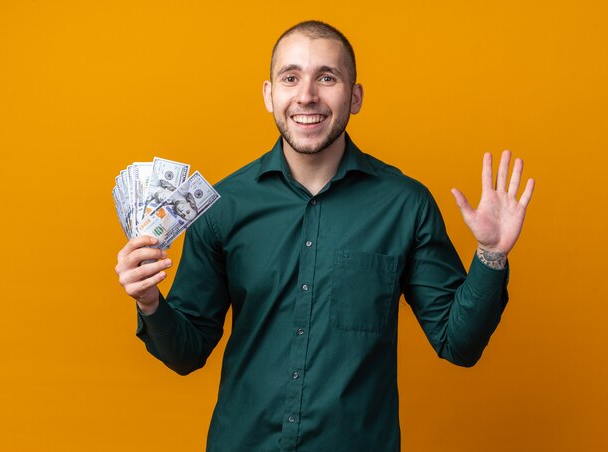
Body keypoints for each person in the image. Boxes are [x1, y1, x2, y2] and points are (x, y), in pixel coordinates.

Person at [115, 20, 534, 452]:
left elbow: (457, 343)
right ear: (269, 95)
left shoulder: (406, 205)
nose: (307, 95)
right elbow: (187, 353)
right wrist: (150, 302)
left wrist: (491, 255)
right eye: (291, 77)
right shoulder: (221, 206)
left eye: (327, 78)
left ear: (354, 97)